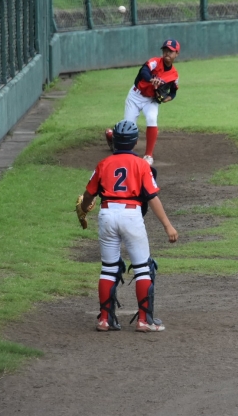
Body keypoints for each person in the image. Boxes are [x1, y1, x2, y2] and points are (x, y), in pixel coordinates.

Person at [81, 120, 178, 332]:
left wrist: (85, 208)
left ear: (114, 140)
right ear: (135, 142)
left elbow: (89, 194)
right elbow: (152, 197)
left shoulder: (103, 163)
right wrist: (167, 226)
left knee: (108, 268)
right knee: (143, 267)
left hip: (107, 214)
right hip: (131, 214)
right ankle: (144, 321)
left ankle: (105, 320)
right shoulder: (142, 165)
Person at [105, 39, 181, 166]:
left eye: (170, 51)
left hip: (151, 100)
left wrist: (167, 98)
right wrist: (151, 80)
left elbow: (173, 92)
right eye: (165, 50)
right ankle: (112, 137)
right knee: (128, 127)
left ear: (176, 54)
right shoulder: (155, 62)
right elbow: (144, 71)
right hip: (135, 96)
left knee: (152, 118)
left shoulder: (174, 75)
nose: (167, 53)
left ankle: (148, 155)